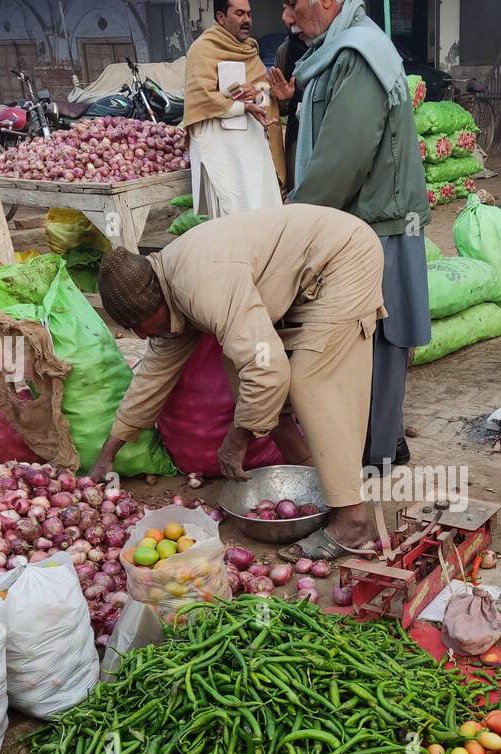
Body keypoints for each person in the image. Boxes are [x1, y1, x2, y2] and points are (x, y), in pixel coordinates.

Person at [88, 204, 385, 560]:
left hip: (342, 258)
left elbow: (267, 367)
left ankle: (354, 520)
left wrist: (237, 437)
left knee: (309, 381)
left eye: (142, 326)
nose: (140, 334)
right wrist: (108, 454)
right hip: (305, 276)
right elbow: (152, 377)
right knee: (242, 374)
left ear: (156, 303)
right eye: (133, 331)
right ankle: (312, 476)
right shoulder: (165, 292)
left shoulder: (201, 286)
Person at [286, 0, 430, 471]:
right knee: (368, 346)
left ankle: (374, 458)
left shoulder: (359, 53)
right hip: (365, 221)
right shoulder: (336, 52)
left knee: (378, 341)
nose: (285, 18)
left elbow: (342, 160)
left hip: (376, 226)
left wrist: (291, 225)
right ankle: (383, 441)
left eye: (291, 3)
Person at [181, 0, 286, 217]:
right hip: (222, 150)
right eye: (239, 13)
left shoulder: (249, 50)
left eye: (248, 14)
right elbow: (201, 97)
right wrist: (241, 106)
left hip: (253, 149)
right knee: (230, 216)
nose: (247, 20)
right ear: (221, 17)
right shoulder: (202, 50)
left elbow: (265, 97)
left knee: (263, 211)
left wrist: (257, 93)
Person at [268, 2, 310, 188]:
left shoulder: (333, 47)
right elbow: (282, 111)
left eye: (292, 7)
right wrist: (284, 100)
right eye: (284, 9)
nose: (286, 18)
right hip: (297, 137)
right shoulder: (284, 52)